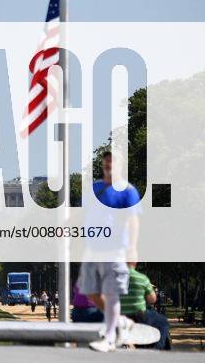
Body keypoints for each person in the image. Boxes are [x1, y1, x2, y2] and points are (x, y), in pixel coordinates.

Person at [80, 151, 143, 352]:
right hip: (92, 248)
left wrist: (132, 248)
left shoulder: (128, 191)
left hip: (115, 248)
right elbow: (86, 214)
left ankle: (109, 337)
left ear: (120, 165)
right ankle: (121, 321)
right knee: (90, 291)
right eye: (106, 161)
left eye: (113, 161)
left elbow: (133, 220)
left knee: (111, 292)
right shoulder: (95, 188)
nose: (109, 164)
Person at [120, 262, 170, 350]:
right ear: (134, 263)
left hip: (120, 315)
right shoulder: (141, 278)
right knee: (163, 322)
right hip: (138, 315)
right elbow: (152, 299)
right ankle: (156, 349)